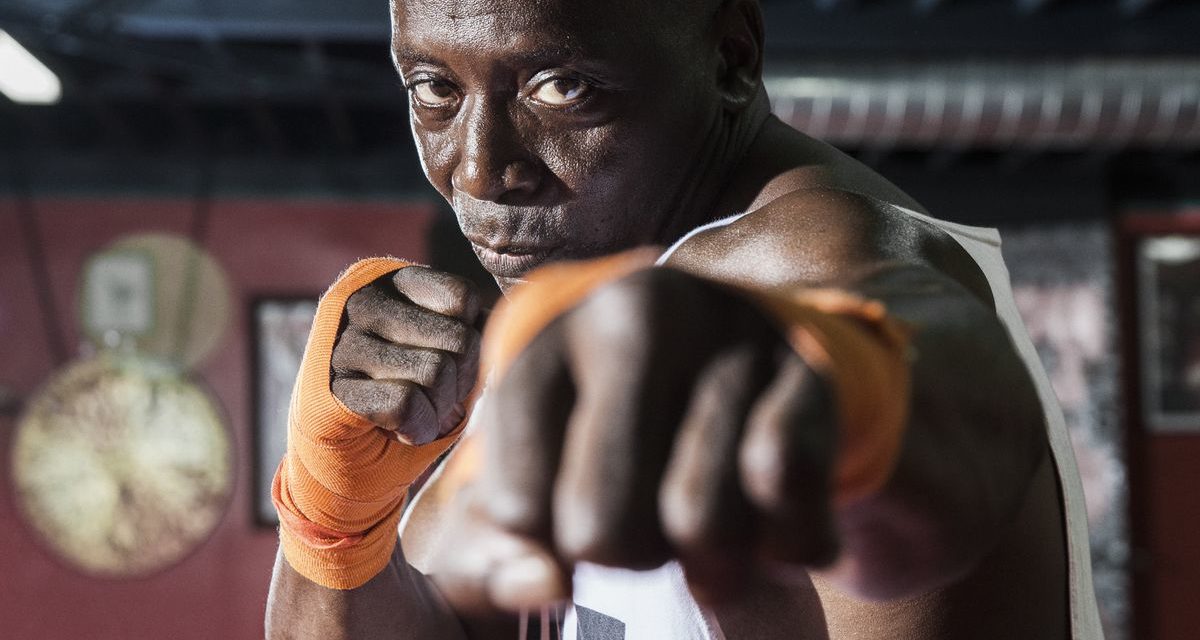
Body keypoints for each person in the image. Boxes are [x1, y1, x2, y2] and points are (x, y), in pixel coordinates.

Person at [265, 0, 1105, 638]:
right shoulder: (601, 283)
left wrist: (848, 388)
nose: (481, 169)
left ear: (732, 58)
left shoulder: (814, 253)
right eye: (434, 89)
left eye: (562, 86)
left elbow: (950, 393)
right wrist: (331, 514)